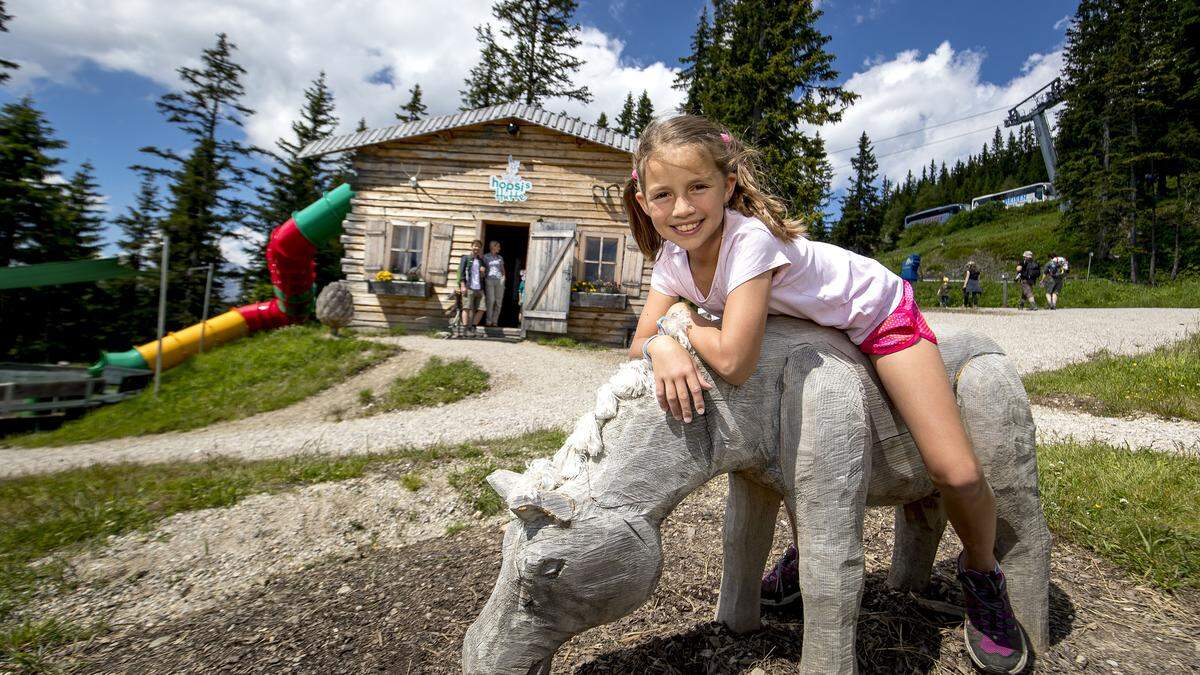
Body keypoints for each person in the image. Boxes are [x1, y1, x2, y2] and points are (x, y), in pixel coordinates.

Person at [623, 115, 1028, 674]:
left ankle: (982, 575)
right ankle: (799, 555)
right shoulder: (673, 258)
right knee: (800, 448)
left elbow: (736, 362)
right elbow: (640, 342)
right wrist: (663, 344)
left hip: (877, 315)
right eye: (664, 195)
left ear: (729, 186)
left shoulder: (750, 241)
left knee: (954, 470)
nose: (683, 208)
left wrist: (678, 326)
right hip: (818, 329)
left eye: (698, 188)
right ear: (644, 202)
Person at [457, 239, 486, 337]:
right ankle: (465, 330)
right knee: (466, 308)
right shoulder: (465, 258)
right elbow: (461, 272)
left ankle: (472, 328)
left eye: (478, 246)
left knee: (482, 308)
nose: (476, 248)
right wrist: (462, 285)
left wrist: (482, 272)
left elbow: (482, 276)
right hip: (469, 287)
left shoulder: (481, 261)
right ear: (471, 247)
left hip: (479, 288)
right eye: (475, 246)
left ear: (480, 249)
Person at [482, 241, 506, 327]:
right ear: (493, 247)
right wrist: (484, 277)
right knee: (491, 300)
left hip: (499, 280)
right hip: (489, 280)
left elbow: (502, 269)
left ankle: (495, 321)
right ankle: (488, 321)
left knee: (498, 302)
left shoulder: (500, 257)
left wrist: (504, 278)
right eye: (498, 247)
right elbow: (482, 267)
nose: (499, 248)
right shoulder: (486, 256)